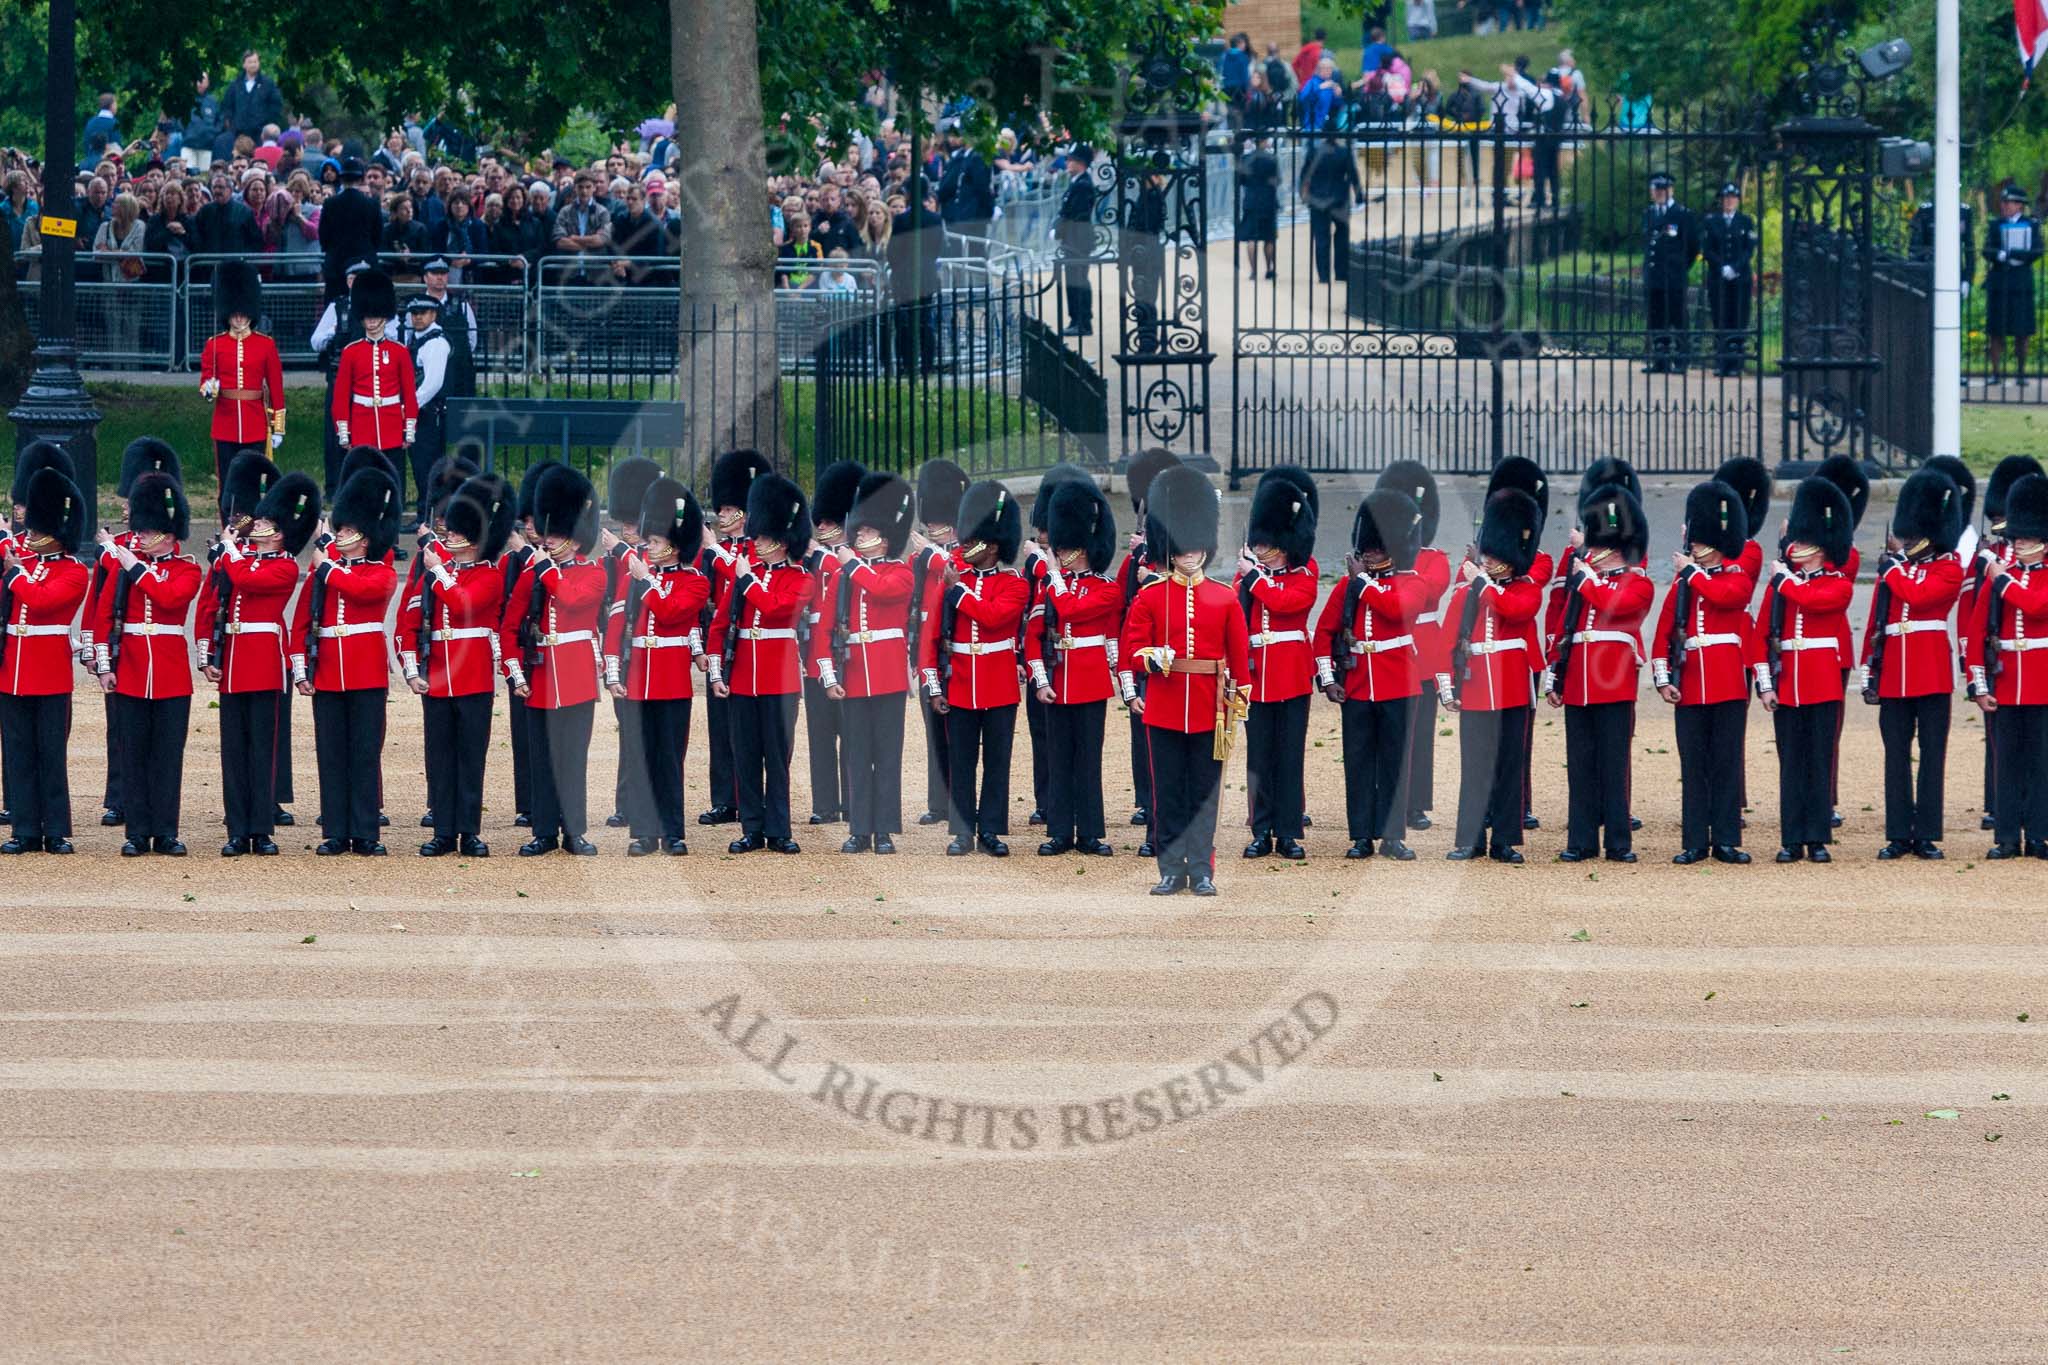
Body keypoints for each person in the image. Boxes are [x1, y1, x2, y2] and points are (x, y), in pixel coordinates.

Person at [1119, 466, 1249, 895]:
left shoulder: (1225, 597)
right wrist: (1153, 659)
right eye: (1183, 547)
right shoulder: (1151, 596)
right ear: (1170, 548)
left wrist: (1238, 703)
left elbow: (1240, 656)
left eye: (1196, 547)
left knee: (1204, 796)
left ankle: (1203, 867)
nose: (1190, 553)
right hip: (1165, 706)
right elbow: (1130, 651)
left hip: (1211, 709)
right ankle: (1171, 867)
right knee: (1169, 793)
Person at [92, 471, 202, 857]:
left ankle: (165, 831)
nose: (139, 537)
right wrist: (105, 666)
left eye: (148, 531)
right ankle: (138, 832)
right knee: (133, 753)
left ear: (169, 536)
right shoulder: (125, 568)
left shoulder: (189, 569)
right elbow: (103, 617)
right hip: (132, 671)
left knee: (168, 757)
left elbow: (171, 598)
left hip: (171, 675)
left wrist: (133, 566)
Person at [207, 469, 316, 857]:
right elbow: (214, 599)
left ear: (282, 533)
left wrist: (229, 548)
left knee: (261, 750)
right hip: (233, 659)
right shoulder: (243, 558)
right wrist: (209, 654)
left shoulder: (285, 567)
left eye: (267, 523)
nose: (258, 526)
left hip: (264, 661)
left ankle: (261, 828)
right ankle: (238, 828)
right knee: (234, 751)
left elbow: (247, 580)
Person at [403, 472, 512, 858]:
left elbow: (462, 603)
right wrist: (412, 670)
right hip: (436, 676)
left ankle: (469, 831)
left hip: (473, 678)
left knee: (470, 759)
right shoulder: (436, 575)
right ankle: (444, 830)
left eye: (456, 531)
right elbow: (409, 622)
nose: (448, 535)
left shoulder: (490, 576)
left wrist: (437, 570)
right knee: (439, 757)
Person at [293, 466, 399, 856]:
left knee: (365, 753)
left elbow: (361, 591)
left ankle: (366, 832)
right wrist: (302, 668)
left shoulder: (380, 572)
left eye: (347, 532)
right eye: (339, 531)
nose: (339, 537)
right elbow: (302, 620)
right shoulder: (323, 573)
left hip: (366, 672)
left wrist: (326, 566)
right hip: (327, 672)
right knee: (332, 754)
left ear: (365, 538)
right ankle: (336, 830)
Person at [1316, 489, 1427, 861]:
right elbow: (1323, 633)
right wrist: (1329, 678)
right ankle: (1362, 834)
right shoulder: (1350, 586)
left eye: (1377, 548)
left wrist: (1363, 583)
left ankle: (1393, 836)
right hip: (1359, 686)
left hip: (1398, 684)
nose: (1370, 553)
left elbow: (1397, 610)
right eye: (1368, 548)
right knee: (1360, 762)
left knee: (1396, 763)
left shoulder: (1411, 581)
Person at [1544, 482, 1652, 863]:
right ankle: (1582, 840)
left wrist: (1586, 578)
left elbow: (1614, 605)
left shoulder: (1638, 583)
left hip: (1614, 685)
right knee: (1580, 766)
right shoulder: (1583, 581)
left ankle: (1619, 843)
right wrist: (1555, 676)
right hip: (1578, 683)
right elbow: (1566, 630)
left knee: (1613, 764)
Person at [1861, 467, 1965, 861]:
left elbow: (1919, 598)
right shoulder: (1898, 567)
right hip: (1894, 671)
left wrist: (1892, 569)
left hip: (1930, 669)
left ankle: (1927, 833)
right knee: (1895, 755)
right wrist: (1870, 665)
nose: (1911, 540)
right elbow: (1878, 618)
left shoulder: (1949, 567)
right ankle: (1898, 833)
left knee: (1932, 753)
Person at [707, 473, 814, 854]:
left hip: (780, 680)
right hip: (743, 677)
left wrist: (747, 577)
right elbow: (721, 624)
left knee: (778, 759)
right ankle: (752, 828)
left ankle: (779, 829)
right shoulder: (746, 576)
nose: (758, 543)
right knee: (746, 756)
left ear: (783, 543)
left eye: (764, 539)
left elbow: (775, 610)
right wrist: (718, 671)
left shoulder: (801, 578)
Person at [1649, 480, 1754, 864]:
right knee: (1693, 765)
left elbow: (1729, 597)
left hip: (1726, 684)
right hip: (1690, 683)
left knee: (1726, 763)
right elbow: (1663, 633)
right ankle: (1694, 840)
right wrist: (1663, 680)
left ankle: (1726, 839)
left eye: (1698, 540)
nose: (1692, 545)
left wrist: (1691, 574)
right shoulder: (1683, 584)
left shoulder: (1734, 576)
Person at [503, 465, 606, 857]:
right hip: (542, 677)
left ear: (576, 540)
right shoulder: (534, 575)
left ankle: (574, 831)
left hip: (577, 676)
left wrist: (544, 568)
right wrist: (516, 673)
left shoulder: (591, 574)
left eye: (559, 535)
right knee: (542, 759)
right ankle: (544, 831)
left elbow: (573, 599)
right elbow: (510, 627)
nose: (551, 541)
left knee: (573, 758)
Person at [606, 476, 711, 856]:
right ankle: (645, 831)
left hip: (670, 682)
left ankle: (673, 831)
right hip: (638, 681)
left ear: (674, 544)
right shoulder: (637, 579)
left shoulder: (694, 582)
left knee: (669, 761)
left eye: (655, 541)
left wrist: (647, 580)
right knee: (642, 759)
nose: (648, 547)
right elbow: (617, 622)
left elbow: (670, 613)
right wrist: (613, 672)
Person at [1751, 477, 1854, 864]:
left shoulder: (1837, 585)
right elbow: (1760, 637)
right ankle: (1792, 838)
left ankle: (1818, 838)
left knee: (1818, 761)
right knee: (1790, 764)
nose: (1797, 549)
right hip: (1787, 684)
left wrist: (1782, 578)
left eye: (1803, 544)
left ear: (1819, 551)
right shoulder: (1780, 587)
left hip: (1823, 685)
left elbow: (1814, 601)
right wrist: (1765, 685)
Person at [923, 481, 1028, 857]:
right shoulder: (954, 580)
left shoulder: (1012, 584)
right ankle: (963, 830)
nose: (964, 547)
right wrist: (935, 687)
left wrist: (958, 593)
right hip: (961, 682)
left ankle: (992, 830)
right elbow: (931, 638)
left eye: (973, 542)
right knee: (962, 761)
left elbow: (996, 618)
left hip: (998, 682)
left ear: (993, 546)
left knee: (997, 762)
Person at [1437, 489, 1543, 863]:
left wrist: (1481, 583)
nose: (1492, 560)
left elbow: (1515, 611)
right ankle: (1471, 837)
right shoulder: (1465, 594)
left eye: (1498, 555)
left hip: (1513, 688)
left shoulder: (1527, 590)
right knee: (1475, 766)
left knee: (1510, 766)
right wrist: (1447, 689)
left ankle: (1505, 838)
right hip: (1477, 688)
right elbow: (1446, 642)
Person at [818, 474, 918, 854]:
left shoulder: (900, 571)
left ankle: (885, 830)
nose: (858, 537)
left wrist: (850, 565)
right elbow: (825, 631)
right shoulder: (844, 578)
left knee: (887, 756)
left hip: (889, 676)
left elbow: (884, 590)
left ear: (885, 538)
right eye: (858, 532)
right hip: (854, 676)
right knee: (856, 756)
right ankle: (860, 827)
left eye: (866, 532)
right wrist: (829, 677)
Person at [1023, 479, 1122, 858]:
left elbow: (1072, 611)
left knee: (1088, 761)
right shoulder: (1050, 586)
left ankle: (1091, 833)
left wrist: (1051, 576)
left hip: (1091, 682)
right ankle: (1060, 831)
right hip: (1058, 682)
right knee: (1059, 759)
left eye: (1065, 548)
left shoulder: (1104, 588)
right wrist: (1040, 680)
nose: (1059, 553)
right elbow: (1033, 636)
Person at [0, 467, 89, 854]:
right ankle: (24, 829)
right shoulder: (25, 563)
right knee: (18, 753)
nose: (30, 536)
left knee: (50, 753)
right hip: (12, 672)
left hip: (49, 673)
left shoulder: (73, 572)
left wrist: (15, 573)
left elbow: (41, 602)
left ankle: (55, 829)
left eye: (37, 530)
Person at [1962, 455, 2045, 831]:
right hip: (2008, 680)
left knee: (2041, 762)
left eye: (2027, 537)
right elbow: (1977, 630)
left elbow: (2038, 606)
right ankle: (2008, 834)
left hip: (2041, 682)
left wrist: (2001, 580)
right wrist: (1978, 684)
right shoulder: (1999, 573)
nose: (2019, 543)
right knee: (2006, 762)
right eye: (2018, 537)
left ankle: (2041, 833)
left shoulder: (2003, 578)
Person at [1239, 468, 1319, 860]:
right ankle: (1261, 829)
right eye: (1261, 543)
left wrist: (1253, 579)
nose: (1265, 550)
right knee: (1259, 756)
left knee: (1289, 756)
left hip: (1290, 675)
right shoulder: (1251, 577)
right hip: (1257, 676)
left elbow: (1289, 604)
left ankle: (1288, 831)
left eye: (1271, 544)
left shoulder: (1305, 572)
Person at [698, 448, 771, 826]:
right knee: (719, 723)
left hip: (752, 642)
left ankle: (751, 798)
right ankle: (725, 798)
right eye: (721, 510)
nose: (722, 516)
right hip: (722, 642)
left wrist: (716, 551)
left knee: (752, 728)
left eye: (728, 511)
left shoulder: (756, 550)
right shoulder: (713, 553)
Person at [1378, 462, 1451, 833]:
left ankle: (1416, 803)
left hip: (1423, 655)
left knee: (1420, 736)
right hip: (1388, 654)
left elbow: (1428, 594)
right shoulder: (1381, 559)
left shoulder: (1434, 559)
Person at [1117, 447, 1181, 847]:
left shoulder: (1182, 551)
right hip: (1144, 657)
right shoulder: (1137, 557)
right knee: (1142, 733)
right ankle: (1145, 798)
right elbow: (1124, 605)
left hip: (1177, 654)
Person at [597, 455, 663, 829]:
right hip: (624, 650)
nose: (627, 529)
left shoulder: (649, 555)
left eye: (631, 523)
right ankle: (626, 801)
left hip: (652, 649)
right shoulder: (615, 557)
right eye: (624, 523)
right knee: (630, 731)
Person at [802, 461, 865, 826]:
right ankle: (825, 803)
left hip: (851, 655)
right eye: (820, 522)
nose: (820, 527)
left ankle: (853, 801)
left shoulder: (856, 559)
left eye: (827, 522)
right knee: (821, 735)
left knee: (853, 736)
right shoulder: (811, 559)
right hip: (816, 656)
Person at [910, 459, 968, 826]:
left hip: (952, 652)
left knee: (956, 731)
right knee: (933, 729)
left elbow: (953, 573)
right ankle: (938, 801)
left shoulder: (963, 552)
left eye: (937, 520)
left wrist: (930, 552)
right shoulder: (922, 557)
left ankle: (959, 801)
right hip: (926, 652)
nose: (931, 527)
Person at [329, 269, 418, 506]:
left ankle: (392, 538)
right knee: (363, 489)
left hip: (391, 429)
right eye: (367, 315)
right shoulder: (351, 352)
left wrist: (408, 428)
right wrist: (344, 431)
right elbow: (340, 397)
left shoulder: (399, 351)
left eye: (376, 314)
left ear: (385, 315)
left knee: (392, 486)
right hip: (361, 428)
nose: (371, 319)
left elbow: (408, 394)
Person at [197, 260, 285, 485]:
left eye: (243, 314)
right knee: (226, 483)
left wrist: (278, 428)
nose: (238, 319)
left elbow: (276, 389)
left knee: (254, 483)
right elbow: (206, 380)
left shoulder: (265, 344)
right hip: (224, 424)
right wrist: (208, 390)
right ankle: (229, 521)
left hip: (255, 424)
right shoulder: (214, 344)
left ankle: (250, 521)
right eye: (234, 314)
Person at [1642, 171, 1699, 373]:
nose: (1659, 193)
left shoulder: (1682, 214)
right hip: (1654, 277)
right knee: (1656, 319)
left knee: (1678, 318)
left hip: (1673, 277)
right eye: (1656, 190)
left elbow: (1693, 246)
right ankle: (1660, 360)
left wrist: (1680, 267)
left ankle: (1682, 359)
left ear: (1671, 190)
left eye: (1663, 190)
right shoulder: (1649, 213)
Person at [1982, 185, 2040, 383]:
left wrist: (2014, 254)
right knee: (1995, 331)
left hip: (2021, 283)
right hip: (2000, 282)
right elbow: (1986, 249)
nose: (2005, 206)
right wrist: (1999, 254)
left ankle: (2021, 373)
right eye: (2004, 202)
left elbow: (2037, 251)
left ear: (2019, 206)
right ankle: (1995, 373)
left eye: (2009, 203)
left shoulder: (2031, 225)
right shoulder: (1995, 224)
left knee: (2021, 331)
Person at [1699, 181, 1757, 378]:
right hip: (1718, 278)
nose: (1729, 201)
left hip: (1740, 279)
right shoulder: (1711, 222)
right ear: (1722, 201)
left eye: (1732, 198)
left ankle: (1736, 363)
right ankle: (1722, 362)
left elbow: (1749, 249)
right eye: (1726, 198)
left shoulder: (1746, 221)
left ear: (1738, 200)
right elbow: (1707, 249)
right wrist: (1722, 266)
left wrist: (1735, 268)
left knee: (1739, 318)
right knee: (1721, 318)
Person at [400, 295, 451, 513]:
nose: (417, 317)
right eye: (414, 313)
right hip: (418, 411)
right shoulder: (416, 338)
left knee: (428, 467)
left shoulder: (436, 343)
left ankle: (428, 515)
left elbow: (432, 384)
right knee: (421, 466)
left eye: (423, 313)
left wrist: (408, 407)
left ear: (433, 314)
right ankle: (426, 513)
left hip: (428, 413)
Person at [1299, 140, 1362, 287]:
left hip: (1317, 199)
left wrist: (1302, 195)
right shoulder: (1344, 152)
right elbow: (1353, 174)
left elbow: (1304, 175)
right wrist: (1359, 196)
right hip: (1339, 199)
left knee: (1321, 239)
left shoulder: (1313, 152)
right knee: (1342, 236)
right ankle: (1341, 272)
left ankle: (1323, 275)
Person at [318, 159, 382, 302]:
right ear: (360, 179)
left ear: (341, 179)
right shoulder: (371, 204)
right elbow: (377, 237)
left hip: (336, 265)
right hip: (365, 264)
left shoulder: (330, 204)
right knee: (366, 307)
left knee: (335, 310)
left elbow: (323, 236)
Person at [1055, 148, 1098, 337]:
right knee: (1074, 280)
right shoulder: (1077, 183)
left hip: (1078, 239)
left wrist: (1058, 229)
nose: (1067, 163)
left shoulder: (1083, 185)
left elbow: (1074, 214)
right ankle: (1076, 320)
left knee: (1078, 279)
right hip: (1072, 238)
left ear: (1080, 163)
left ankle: (1082, 321)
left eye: (1070, 160)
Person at [219, 51, 283, 159]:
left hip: (260, 134)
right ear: (244, 64)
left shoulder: (268, 84)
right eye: (250, 62)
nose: (253, 64)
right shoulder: (235, 85)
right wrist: (231, 124)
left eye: (255, 61)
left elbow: (276, 106)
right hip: (238, 134)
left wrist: (267, 123)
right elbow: (227, 107)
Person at [1238, 139, 1280, 281]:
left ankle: (1253, 271)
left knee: (1252, 238)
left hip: (1251, 200)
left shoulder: (1246, 159)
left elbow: (1240, 180)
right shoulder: (1271, 159)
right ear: (1263, 142)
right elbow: (1277, 181)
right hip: (1268, 200)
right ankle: (1269, 269)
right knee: (1269, 238)